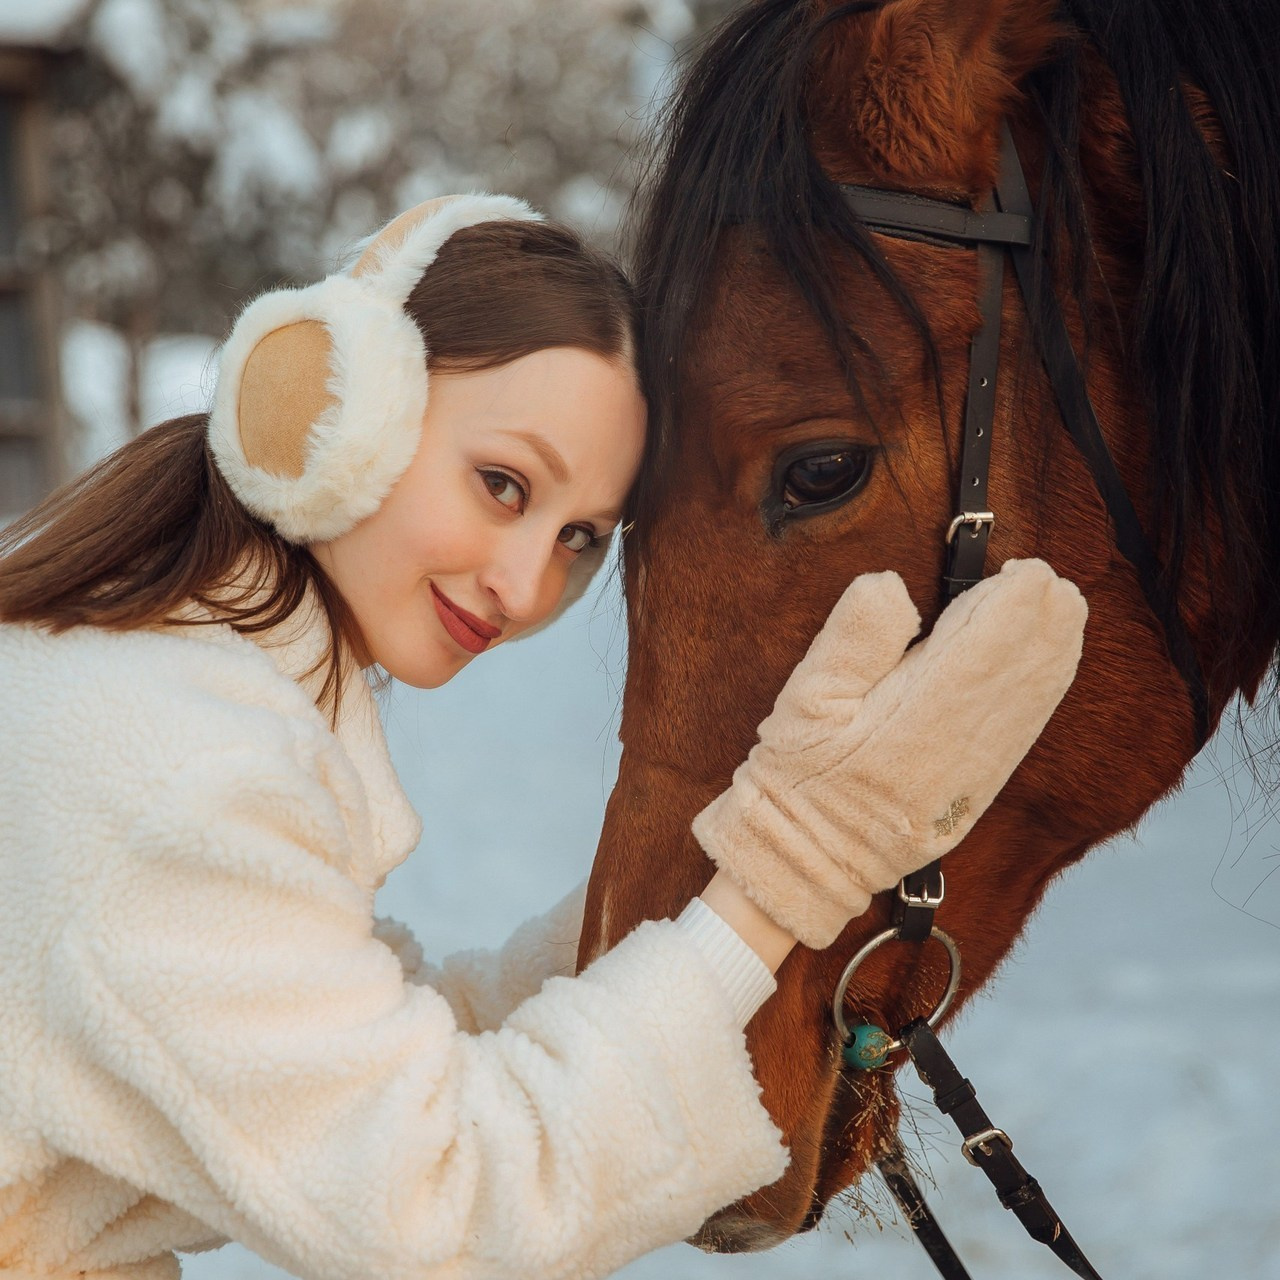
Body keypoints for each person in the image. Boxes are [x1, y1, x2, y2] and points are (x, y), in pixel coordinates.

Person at [0, 195, 1087, 1280]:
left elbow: (393, 1056)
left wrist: (710, 862)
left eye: (578, 536)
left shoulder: (157, 678)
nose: (524, 585)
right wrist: (788, 868)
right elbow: (439, 1206)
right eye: (501, 483)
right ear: (337, 406)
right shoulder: (181, 768)